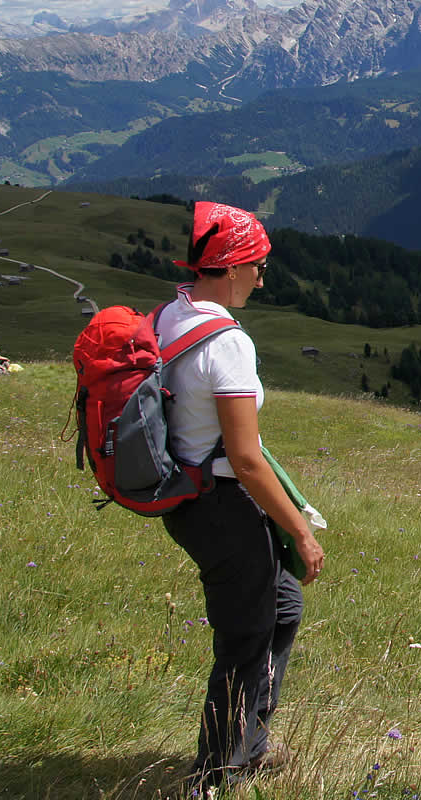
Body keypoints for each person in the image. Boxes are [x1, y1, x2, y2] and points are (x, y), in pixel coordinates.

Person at [158, 201, 325, 789]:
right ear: (229, 268)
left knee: (281, 605)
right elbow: (248, 460)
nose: (262, 276)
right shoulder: (227, 342)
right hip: (224, 508)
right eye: (257, 265)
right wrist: (300, 530)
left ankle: (249, 741)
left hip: (189, 499)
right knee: (244, 639)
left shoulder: (171, 315)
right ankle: (215, 774)